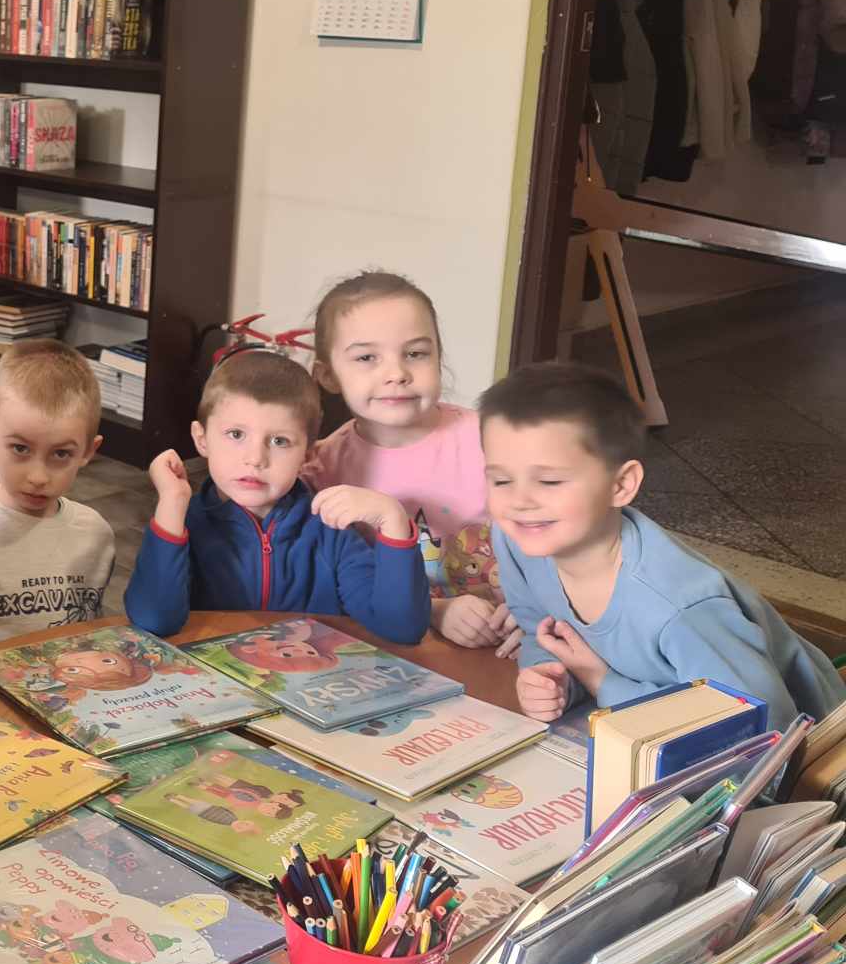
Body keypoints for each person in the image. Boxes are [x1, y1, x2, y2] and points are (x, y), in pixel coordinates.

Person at [485, 363, 846, 730]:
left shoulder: (680, 606)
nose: (519, 501)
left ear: (621, 485)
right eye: (501, 481)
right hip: (647, 730)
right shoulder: (518, 540)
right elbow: (537, 629)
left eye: (549, 481)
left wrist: (603, 683)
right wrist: (550, 677)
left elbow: (759, 727)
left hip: (805, 747)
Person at [125, 349, 430, 642]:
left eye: (279, 441)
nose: (255, 459)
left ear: (307, 455)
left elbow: (400, 628)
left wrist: (393, 520)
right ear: (201, 439)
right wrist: (171, 505)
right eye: (236, 435)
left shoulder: (331, 530)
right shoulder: (184, 523)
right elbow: (153, 620)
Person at [305, 270, 520, 654]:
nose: (397, 374)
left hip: (517, 638)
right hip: (401, 648)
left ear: (439, 357)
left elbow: (558, 532)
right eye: (366, 357)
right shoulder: (322, 469)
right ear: (328, 375)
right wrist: (436, 611)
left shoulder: (493, 440)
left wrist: (535, 612)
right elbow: (345, 580)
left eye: (415, 354)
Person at [0, 338, 116, 643]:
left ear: (88, 451)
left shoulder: (96, 533)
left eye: (61, 454)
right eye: (20, 448)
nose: (38, 477)